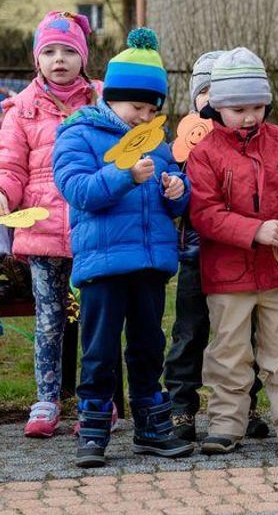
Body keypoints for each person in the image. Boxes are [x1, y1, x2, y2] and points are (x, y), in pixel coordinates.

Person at [53, 28, 193, 467]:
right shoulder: (79, 136)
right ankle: (93, 430)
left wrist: (177, 190)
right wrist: (123, 175)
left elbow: (180, 195)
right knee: (98, 349)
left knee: (149, 344)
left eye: (153, 109)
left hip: (149, 263)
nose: (144, 116)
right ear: (111, 98)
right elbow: (78, 190)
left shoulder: (159, 143)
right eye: (137, 106)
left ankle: (151, 425)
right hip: (103, 266)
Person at [188, 48, 278, 456]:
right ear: (217, 107)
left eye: (257, 107)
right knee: (229, 352)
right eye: (238, 109)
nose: (249, 117)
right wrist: (254, 230)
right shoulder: (204, 153)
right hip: (227, 274)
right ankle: (227, 424)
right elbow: (205, 214)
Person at [0, 10, 101, 437]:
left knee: (94, 320)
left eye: (69, 50)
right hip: (42, 235)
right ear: (37, 59)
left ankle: (95, 400)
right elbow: (9, 165)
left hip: (92, 232)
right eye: (49, 51)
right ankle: (46, 401)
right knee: (49, 320)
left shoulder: (100, 102)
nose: (59, 59)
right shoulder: (22, 109)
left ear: (82, 57)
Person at [163, 51, 269, 443]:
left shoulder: (254, 137)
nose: (209, 99)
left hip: (242, 254)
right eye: (203, 91)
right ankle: (181, 407)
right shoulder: (182, 143)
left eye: (215, 90)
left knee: (243, 335)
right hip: (196, 250)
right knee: (189, 331)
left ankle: (245, 403)